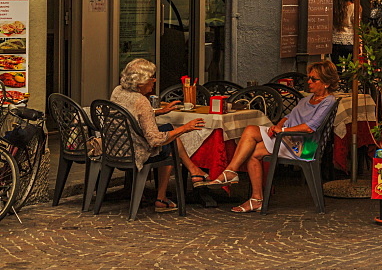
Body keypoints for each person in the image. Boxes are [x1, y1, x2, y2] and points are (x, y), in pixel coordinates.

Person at [199, 60, 339, 212]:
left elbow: (310, 127)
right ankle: (250, 193)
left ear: (326, 82)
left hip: (301, 144)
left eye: (313, 79)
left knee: (252, 137)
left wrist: (284, 131)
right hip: (286, 137)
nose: (309, 81)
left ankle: (236, 177)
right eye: (309, 78)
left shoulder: (328, 101)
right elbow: (289, 115)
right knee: (251, 141)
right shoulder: (307, 99)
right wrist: (279, 126)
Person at [110, 58, 207, 213]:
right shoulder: (141, 101)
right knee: (170, 142)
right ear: (140, 82)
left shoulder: (118, 91)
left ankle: (193, 172)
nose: (154, 81)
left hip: (117, 147)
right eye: (151, 78)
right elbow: (155, 140)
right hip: (137, 152)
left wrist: (158, 112)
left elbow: (133, 115)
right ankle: (168, 193)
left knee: (168, 130)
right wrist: (185, 128)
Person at [330, 0, 354, 64]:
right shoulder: (353, 6)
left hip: (335, 41)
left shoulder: (333, 5)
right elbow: (357, 25)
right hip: (350, 41)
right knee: (350, 69)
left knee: (337, 68)